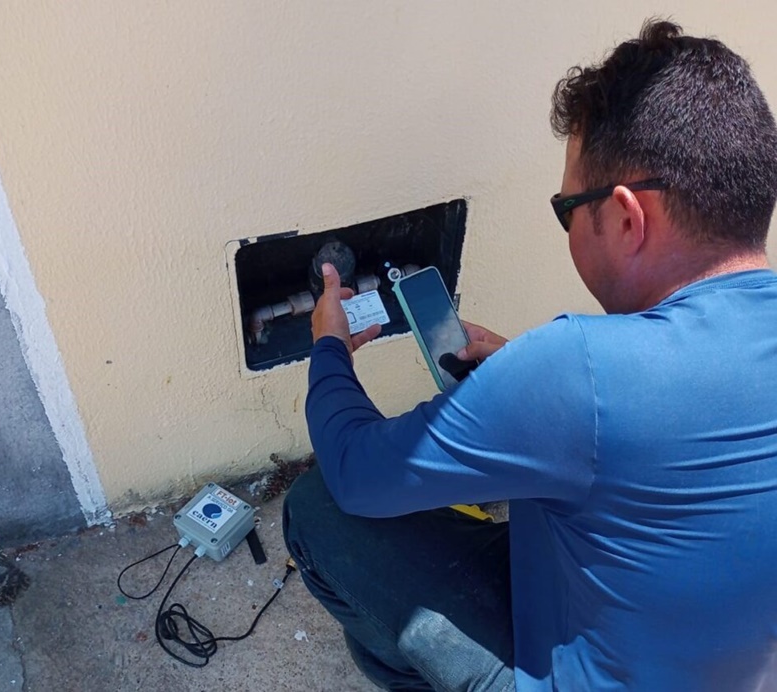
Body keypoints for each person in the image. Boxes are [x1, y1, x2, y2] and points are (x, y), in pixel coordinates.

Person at [282, 19, 777, 691]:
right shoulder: (586, 382)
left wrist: (328, 346)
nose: (566, 221)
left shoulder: (577, 370)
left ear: (627, 218)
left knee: (318, 511)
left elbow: (354, 470)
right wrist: (525, 377)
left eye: (566, 207)